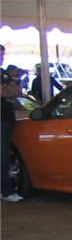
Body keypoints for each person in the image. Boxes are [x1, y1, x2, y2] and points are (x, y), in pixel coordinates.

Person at [1, 46, 23, 202]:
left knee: (6, 156)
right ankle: (5, 191)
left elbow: (17, 93)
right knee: (2, 157)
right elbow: (3, 92)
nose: (2, 58)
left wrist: (12, 82)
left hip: (8, 118)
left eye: (2, 55)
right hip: (1, 120)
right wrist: (9, 88)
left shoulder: (3, 74)